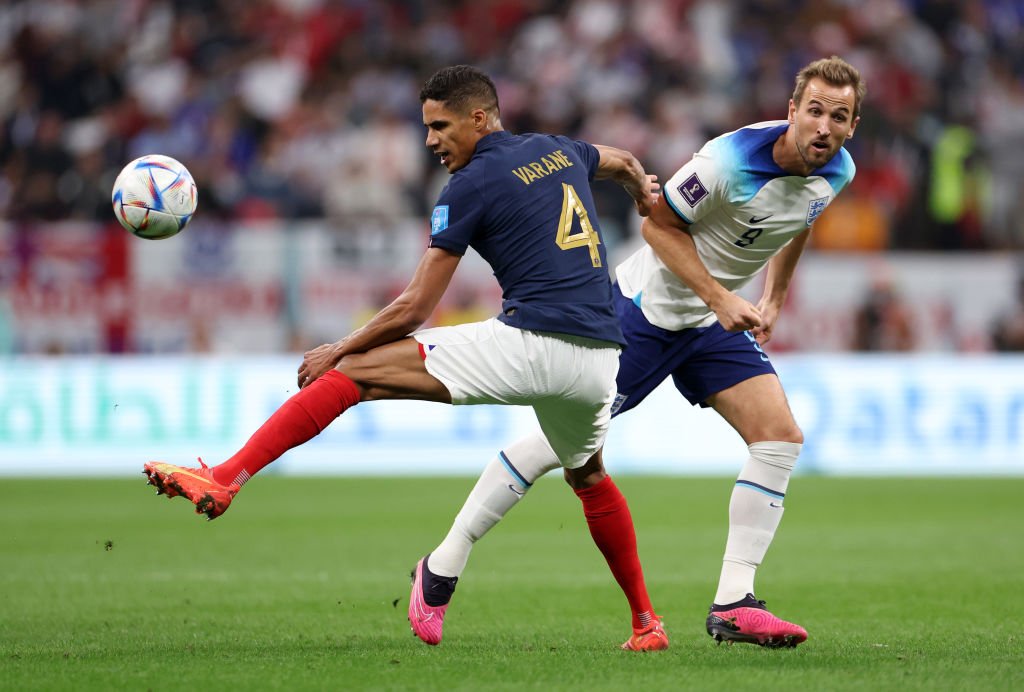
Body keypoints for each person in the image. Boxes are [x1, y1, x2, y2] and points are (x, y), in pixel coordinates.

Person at [141, 64, 660, 643]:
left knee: (355, 372)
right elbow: (623, 162)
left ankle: (227, 477)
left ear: (480, 118)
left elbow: (416, 308)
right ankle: (645, 621)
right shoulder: (558, 148)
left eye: (441, 126)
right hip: (600, 364)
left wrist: (338, 348)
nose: (431, 140)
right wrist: (643, 194)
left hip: (534, 343)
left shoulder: (469, 185)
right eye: (427, 127)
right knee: (588, 476)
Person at [412, 55, 864, 650]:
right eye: (814, 112)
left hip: (708, 323)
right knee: (558, 447)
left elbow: (797, 218)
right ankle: (442, 565)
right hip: (638, 314)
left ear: (852, 125)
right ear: (791, 112)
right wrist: (722, 296)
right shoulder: (727, 160)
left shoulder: (836, 172)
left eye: (839, 116)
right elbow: (656, 225)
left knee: (779, 436)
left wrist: (774, 295)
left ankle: (733, 602)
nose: (824, 127)